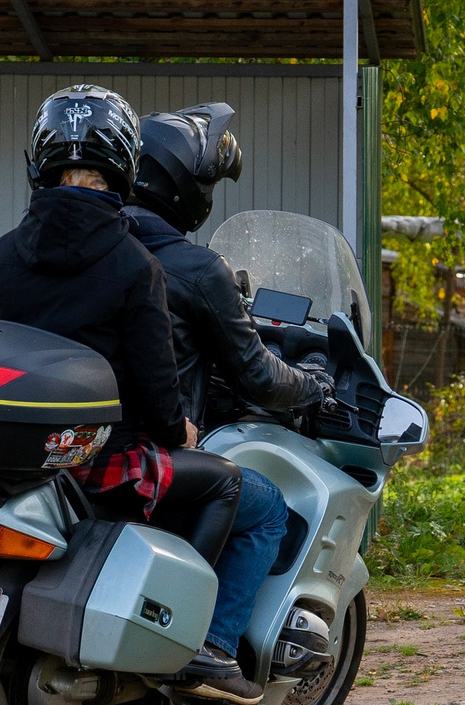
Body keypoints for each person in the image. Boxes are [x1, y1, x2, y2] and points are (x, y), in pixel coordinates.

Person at [0, 85, 258, 705]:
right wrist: (180, 431)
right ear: (124, 165)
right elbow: (157, 385)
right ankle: (191, 642)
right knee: (227, 484)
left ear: (39, 161)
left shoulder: (0, 256)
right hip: (100, 462)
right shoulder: (135, 266)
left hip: (15, 460)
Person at [125, 103, 327, 674]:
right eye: (208, 182)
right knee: (266, 507)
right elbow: (258, 374)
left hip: (79, 442)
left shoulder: (101, 249)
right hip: (150, 448)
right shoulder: (193, 267)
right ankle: (212, 646)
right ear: (183, 184)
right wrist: (312, 386)